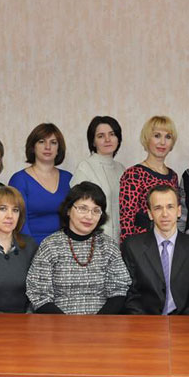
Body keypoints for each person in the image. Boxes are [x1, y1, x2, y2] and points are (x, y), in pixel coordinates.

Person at [26, 182, 130, 315]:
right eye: (83, 208)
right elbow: (39, 294)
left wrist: (98, 323)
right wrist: (67, 324)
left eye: (96, 210)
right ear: (68, 210)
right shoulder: (50, 245)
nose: (89, 216)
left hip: (103, 321)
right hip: (57, 321)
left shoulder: (108, 246)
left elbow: (119, 289)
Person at [122, 185, 189, 315]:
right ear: (150, 214)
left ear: (179, 211)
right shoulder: (132, 246)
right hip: (145, 321)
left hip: (185, 321)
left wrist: (182, 323)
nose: (165, 214)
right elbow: (130, 295)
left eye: (170, 207)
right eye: (158, 208)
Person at [9, 123, 72, 245]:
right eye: (42, 142)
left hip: (64, 247)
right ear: (33, 147)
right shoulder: (19, 180)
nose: (47, 147)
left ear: (58, 149)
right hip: (30, 247)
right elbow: (19, 222)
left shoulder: (68, 179)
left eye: (53, 142)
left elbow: (74, 218)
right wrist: (33, 250)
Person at [119, 116, 179, 243]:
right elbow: (126, 220)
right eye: (157, 136)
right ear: (147, 139)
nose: (162, 142)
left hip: (168, 243)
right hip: (142, 245)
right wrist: (129, 250)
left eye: (168, 137)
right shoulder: (134, 174)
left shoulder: (173, 176)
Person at [70, 116, 125, 242]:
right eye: (101, 136)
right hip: (93, 239)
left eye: (112, 134)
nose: (107, 139)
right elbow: (77, 209)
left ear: (118, 138)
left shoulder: (121, 169)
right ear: (93, 142)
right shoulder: (85, 167)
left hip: (120, 241)